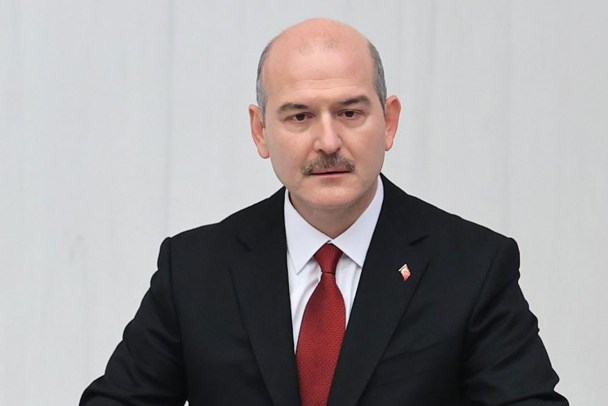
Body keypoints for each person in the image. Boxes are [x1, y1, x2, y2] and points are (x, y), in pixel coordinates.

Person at [81, 18, 568, 406]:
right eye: (300, 116)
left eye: (350, 113)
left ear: (389, 122)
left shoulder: (473, 267)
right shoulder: (193, 269)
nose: (328, 141)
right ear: (260, 131)